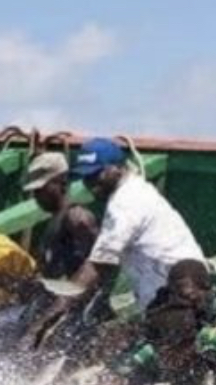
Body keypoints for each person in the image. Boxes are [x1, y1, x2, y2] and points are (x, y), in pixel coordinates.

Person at [23, 138, 203, 346]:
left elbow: (99, 266)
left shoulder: (125, 203)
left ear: (117, 167)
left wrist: (47, 319)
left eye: (96, 174)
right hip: (160, 303)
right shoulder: (131, 193)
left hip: (182, 302)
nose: (91, 184)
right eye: (86, 178)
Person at [22, 151, 99, 279]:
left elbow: (99, 265)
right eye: (35, 191)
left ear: (62, 182)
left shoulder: (76, 218)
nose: (36, 196)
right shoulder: (55, 221)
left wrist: (68, 296)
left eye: (41, 189)